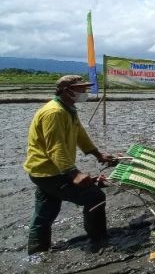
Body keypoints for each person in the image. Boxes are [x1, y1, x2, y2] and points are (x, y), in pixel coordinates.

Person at [24, 75, 116, 254]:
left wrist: (98, 154)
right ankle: (98, 240)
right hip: (50, 171)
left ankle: (37, 253)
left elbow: (80, 134)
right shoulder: (54, 113)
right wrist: (74, 174)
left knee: (46, 211)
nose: (84, 92)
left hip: (44, 171)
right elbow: (55, 147)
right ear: (67, 90)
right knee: (95, 197)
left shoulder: (68, 109)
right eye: (81, 89)